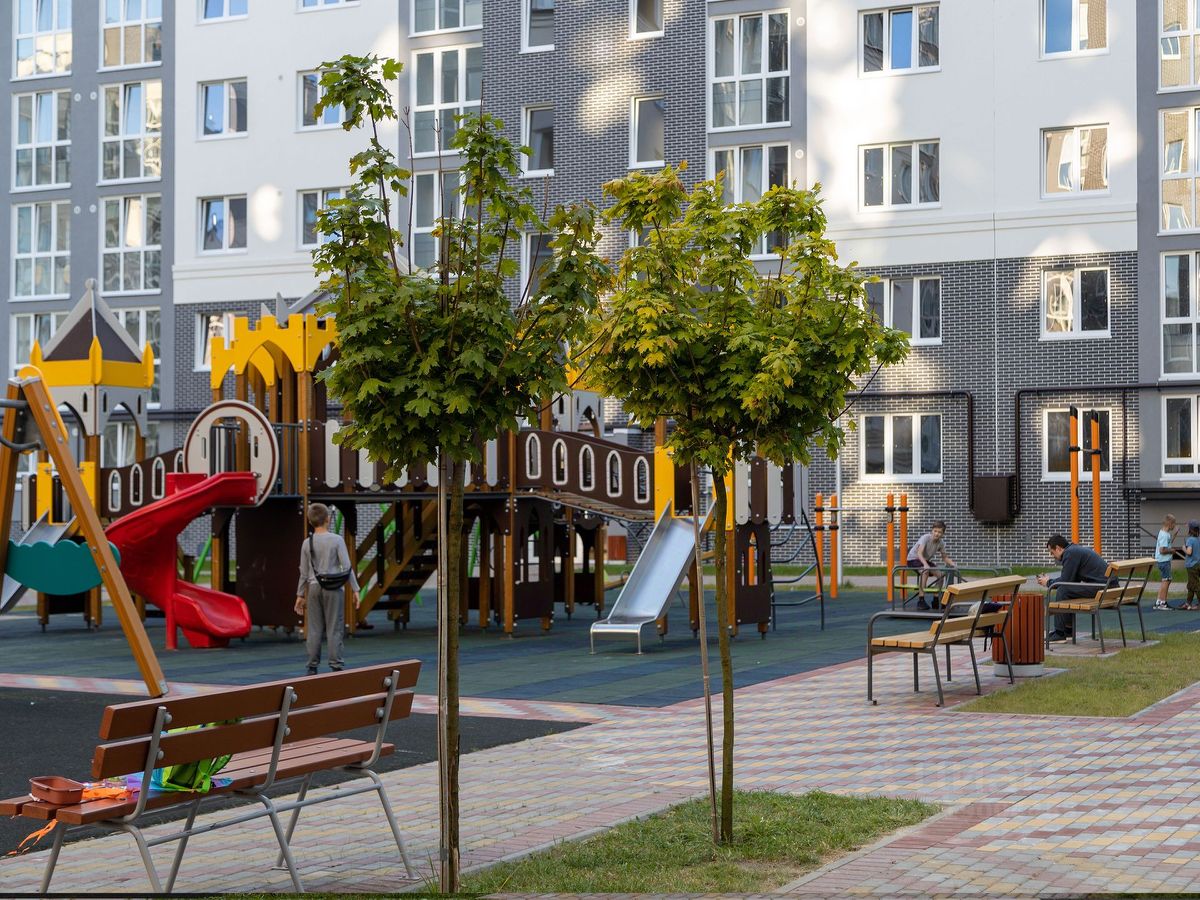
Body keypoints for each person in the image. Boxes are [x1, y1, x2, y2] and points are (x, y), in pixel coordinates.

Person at [294, 503, 359, 676]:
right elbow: (347, 567)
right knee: (334, 627)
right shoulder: (337, 540)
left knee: (314, 628)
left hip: (314, 587)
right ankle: (336, 665)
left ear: (310, 521)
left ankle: (312, 666)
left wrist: (300, 594)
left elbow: (303, 572)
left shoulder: (307, 543)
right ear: (328, 519)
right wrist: (355, 589)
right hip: (334, 588)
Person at [1037, 534, 1115, 642]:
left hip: (1103, 588)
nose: (1052, 556)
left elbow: (1065, 581)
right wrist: (1050, 581)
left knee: (1063, 590)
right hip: (1107, 587)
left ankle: (1060, 632)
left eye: (1052, 552)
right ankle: (1068, 630)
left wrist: (1048, 582)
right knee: (1066, 590)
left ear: (1058, 548)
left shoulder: (1070, 554)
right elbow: (1071, 580)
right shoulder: (1074, 550)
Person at [907, 520, 956, 610]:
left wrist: (953, 564)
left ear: (943, 534)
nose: (937, 534)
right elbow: (919, 553)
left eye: (939, 532)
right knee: (925, 571)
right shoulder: (925, 538)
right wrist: (925, 565)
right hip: (913, 558)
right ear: (932, 531)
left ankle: (936, 600)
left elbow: (945, 557)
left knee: (940, 575)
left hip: (924, 560)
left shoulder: (941, 543)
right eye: (935, 531)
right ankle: (921, 600)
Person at [1154, 514, 1179, 611]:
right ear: (1170, 523)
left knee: (1165, 580)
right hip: (1164, 561)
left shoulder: (1164, 533)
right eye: (1174, 524)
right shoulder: (1164, 535)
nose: (1174, 526)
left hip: (1163, 561)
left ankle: (1159, 601)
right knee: (1166, 580)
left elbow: (1168, 543)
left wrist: (1175, 535)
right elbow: (1162, 550)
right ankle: (1163, 603)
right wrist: (1171, 551)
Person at [1185, 520, 1200, 611]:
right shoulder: (1198, 539)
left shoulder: (1190, 540)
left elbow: (1189, 552)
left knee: (1195, 585)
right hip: (1198, 564)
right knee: (1191, 584)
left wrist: (1184, 548)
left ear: (1190, 530)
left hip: (1191, 566)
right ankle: (1188, 603)